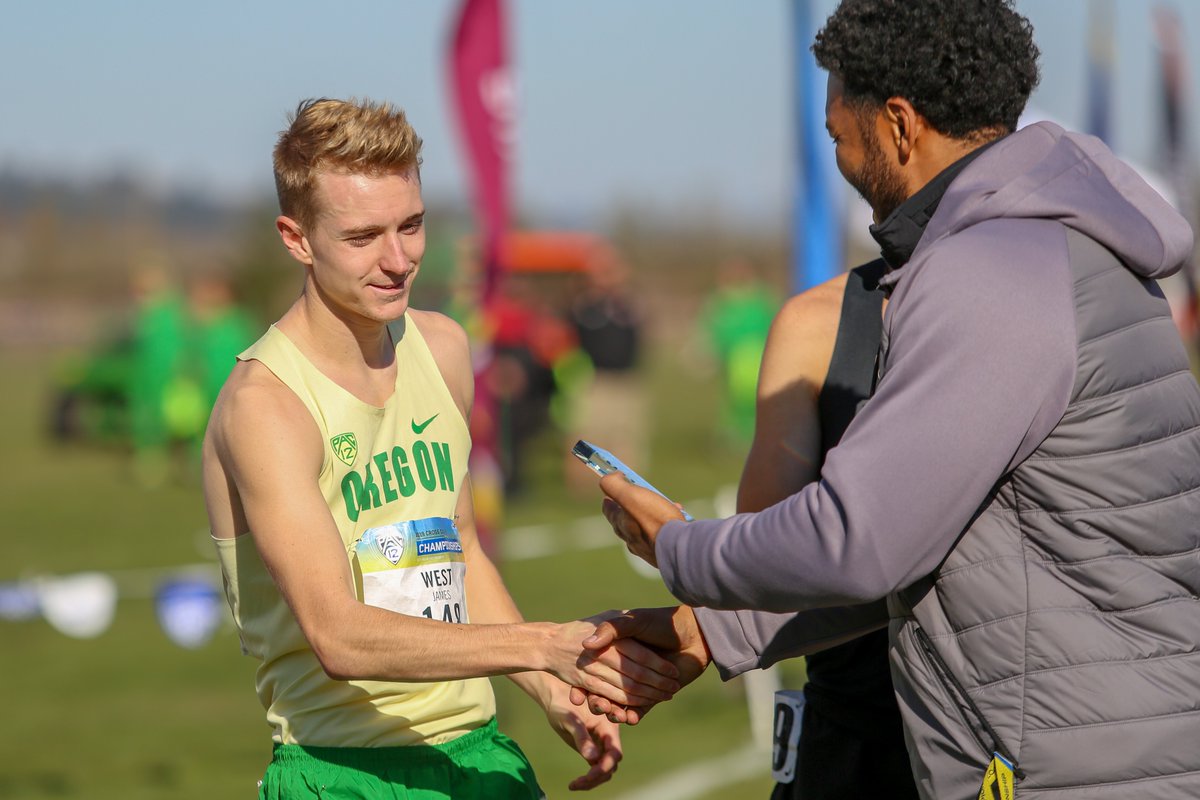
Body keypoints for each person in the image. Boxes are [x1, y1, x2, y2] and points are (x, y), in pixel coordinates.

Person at [585, 2, 1200, 798]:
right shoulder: (1066, 246)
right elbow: (936, 546)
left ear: (900, 126)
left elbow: (858, 538)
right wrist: (715, 627)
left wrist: (679, 548)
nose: (840, 158)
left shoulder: (990, 270)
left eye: (842, 135)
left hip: (1074, 765)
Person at [201, 97, 681, 799]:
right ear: (296, 237)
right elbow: (338, 636)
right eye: (363, 236)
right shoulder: (265, 406)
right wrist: (543, 646)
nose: (398, 260)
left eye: (413, 225)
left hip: (477, 757)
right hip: (343, 773)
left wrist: (548, 693)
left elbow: (458, 546)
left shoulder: (445, 348)